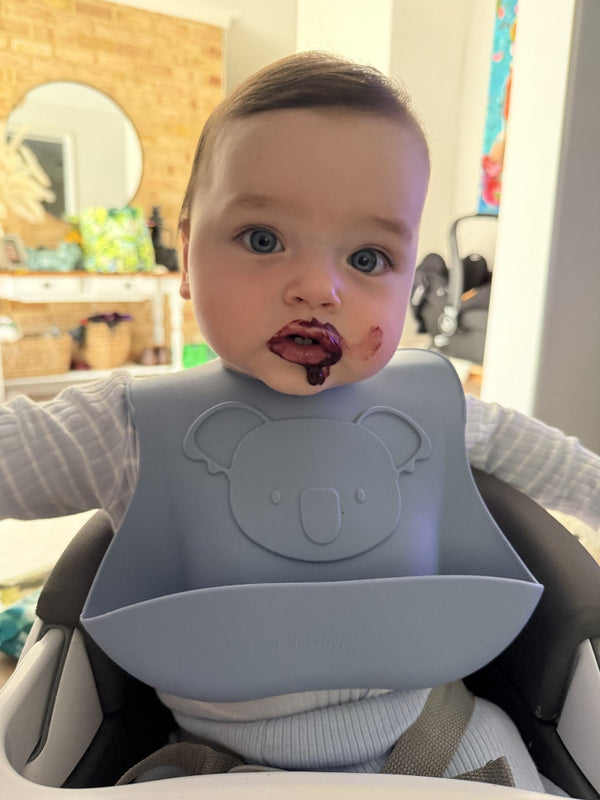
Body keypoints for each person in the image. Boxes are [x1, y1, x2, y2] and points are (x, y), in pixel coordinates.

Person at [1, 52, 599, 792]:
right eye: (262, 239)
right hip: (216, 769)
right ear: (185, 255)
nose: (318, 289)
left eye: (369, 256)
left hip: (450, 749)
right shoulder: (129, 426)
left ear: (411, 277)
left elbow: (560, 466)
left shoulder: (432, 411)